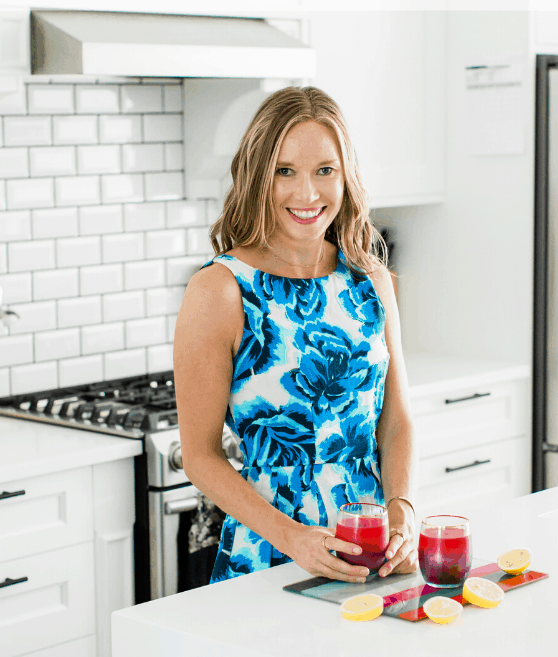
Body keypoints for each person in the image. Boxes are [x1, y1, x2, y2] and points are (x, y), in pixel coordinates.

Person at [173, 86, 417, 584]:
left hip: (373, 555)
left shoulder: (370, 280)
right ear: (259, 176)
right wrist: (293, 539)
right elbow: (200, 457)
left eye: (324, 171)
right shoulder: (219, 290)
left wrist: (403, 510)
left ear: (346, 176)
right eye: (285, 171)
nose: (307, 195)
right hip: (269, 559)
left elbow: (396, 422)